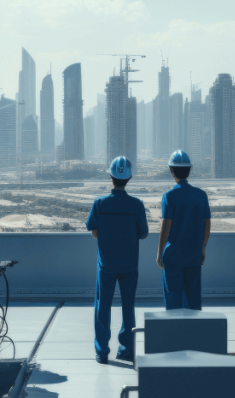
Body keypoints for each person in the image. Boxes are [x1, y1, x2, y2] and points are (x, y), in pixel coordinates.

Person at [87, 156, 149, 364]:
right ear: (129, 177)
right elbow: (143, 234)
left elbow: (94, 232)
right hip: (129, 265)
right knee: (127, 306)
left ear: (110, 176)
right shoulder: (137, 205)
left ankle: (102, 351)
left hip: (106, 264)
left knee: (102, 307)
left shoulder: (100, 203)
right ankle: (126, 348)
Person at [156, 150, 212, 310]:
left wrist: (160, 253)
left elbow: (166, 225)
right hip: (193, 254)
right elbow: (207, 223)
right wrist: (202, 248)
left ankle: (174, 332)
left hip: (173, 255)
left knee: (173, 298)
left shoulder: (169, 196)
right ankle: (192, 332)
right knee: (192, 298)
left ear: (171, 170)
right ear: (189, 170)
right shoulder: (201, 195)